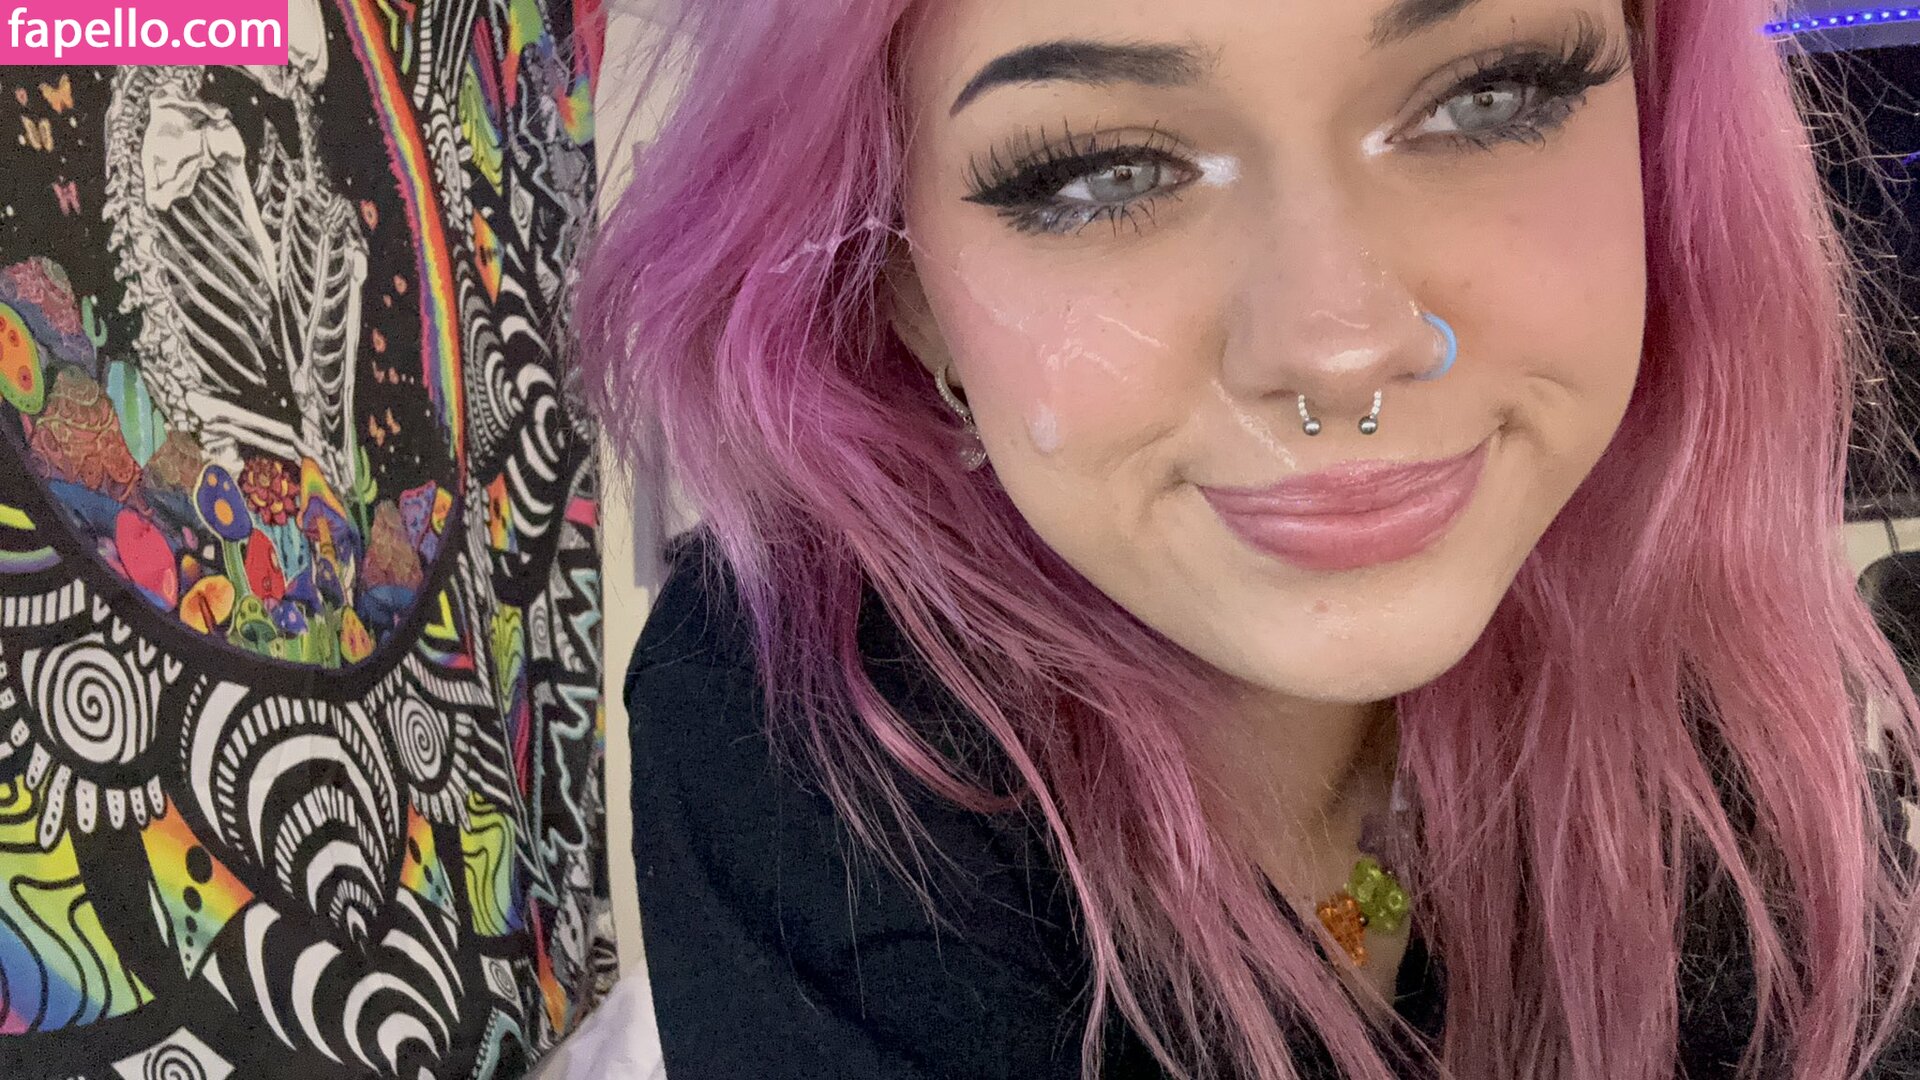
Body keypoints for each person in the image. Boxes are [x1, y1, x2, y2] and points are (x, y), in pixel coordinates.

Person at [577, 0, 1920, 1076]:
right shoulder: (811, 711)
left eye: (1487, 95)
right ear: (910, 293)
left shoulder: (1705, 676)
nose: (1340, 348)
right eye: (1101, 172)